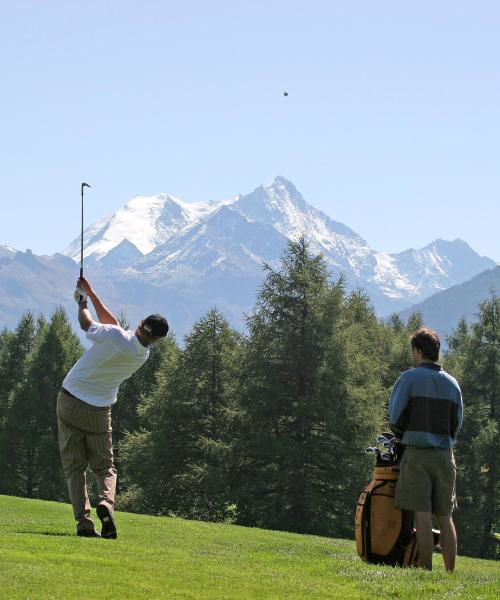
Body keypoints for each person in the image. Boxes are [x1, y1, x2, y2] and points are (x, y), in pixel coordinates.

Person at [57, 277, 169, 538]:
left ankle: (84, 523)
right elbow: (114, 327)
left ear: (140, 323)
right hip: (99, 410)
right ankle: (106, 503)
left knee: (75, 467)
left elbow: (87, 324)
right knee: (105, 467)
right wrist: (93, 293)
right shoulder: (141, 354)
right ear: (157, 341)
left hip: (70, 399)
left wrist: (81, 302)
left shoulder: (116, 336)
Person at [389, 327, 463, 571]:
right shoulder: (453, 384)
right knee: (445, 516)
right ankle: (450, 572)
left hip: (417, 454)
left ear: (418, 350)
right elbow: (457, 424)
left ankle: (426, 570)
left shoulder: (409, 378)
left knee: (422, 514)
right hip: (444, 456)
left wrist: (402, 436)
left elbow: (395, 415)